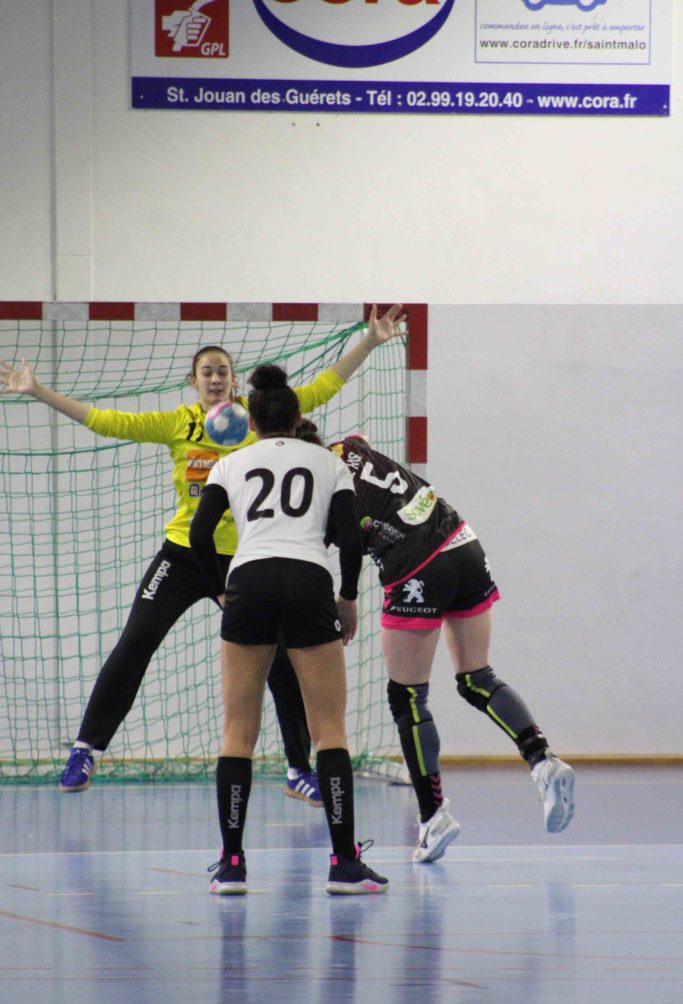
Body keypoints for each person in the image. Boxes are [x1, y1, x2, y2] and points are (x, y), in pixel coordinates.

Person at [0, 305, 406, 797]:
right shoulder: (180, 423)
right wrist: (38, 391)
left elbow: (324, 386)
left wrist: (369, 341)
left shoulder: (261, 416)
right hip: (184, 555)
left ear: (234, 380)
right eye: (207, 372)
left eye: (223, 371)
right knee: (136, 640)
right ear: (193, 381)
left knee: (283, 661)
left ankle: (299, 770)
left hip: (249, 559)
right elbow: (106, 421)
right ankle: (86, 749)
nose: (215, 378)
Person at [297, 421, 576, 863]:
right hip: (462, 542)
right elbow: (363, 445)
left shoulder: (318, 486)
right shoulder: (349, 446)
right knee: (477, 677)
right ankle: (543, 761)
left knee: (407, 697)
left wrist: (344, 598)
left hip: (416, 565)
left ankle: (433, 816)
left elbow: (345, 544)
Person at [189, 364, 389, 895]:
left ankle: (232, 864)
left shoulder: (230, 464)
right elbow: (350, 539)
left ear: (251, 421)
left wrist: (220, 590)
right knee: (330, 731)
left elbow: (200, 534)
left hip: (249, 580)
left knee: (238, 732)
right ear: (299, 419)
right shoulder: (328, 464)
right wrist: (348, 598)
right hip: (308, 580)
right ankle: (343, 863)